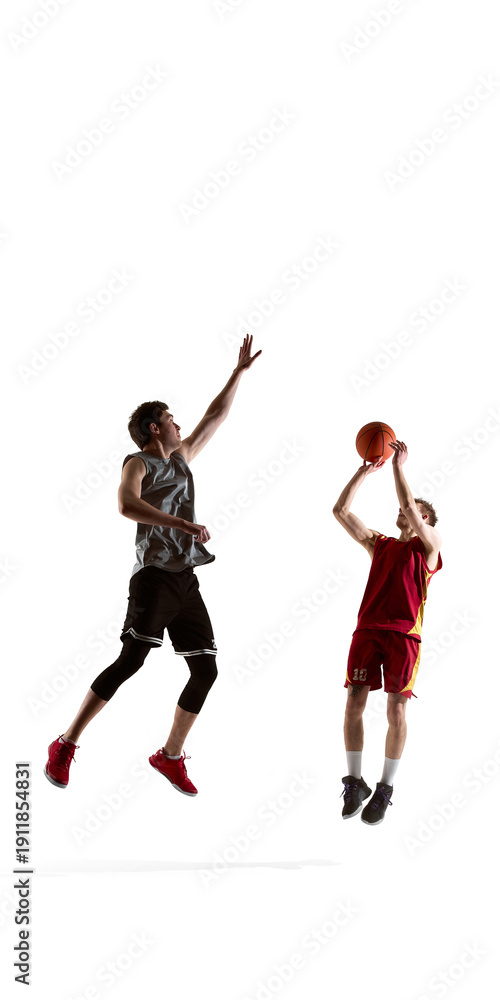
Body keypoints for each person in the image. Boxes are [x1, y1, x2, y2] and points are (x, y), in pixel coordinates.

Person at [44, 334, 262, 796]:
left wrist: (237, 373)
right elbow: (126, 505)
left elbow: (214, 417)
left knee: (206, 670)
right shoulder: (138, 463)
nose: (179, 425)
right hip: (154, 577)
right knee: (131, 660)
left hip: (185, 580)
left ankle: (170, 756)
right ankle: (65, 743)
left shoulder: (181, 460)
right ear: (153, 429)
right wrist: (180, 523)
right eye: (170, 420)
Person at [333, 439, 442, 825]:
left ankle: (385, 788)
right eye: (403, 509)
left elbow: (410, 507)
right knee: (353, 705)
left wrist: (397, 465)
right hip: (368, 631)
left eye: (415, 511)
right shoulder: (379, 544)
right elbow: (340, 511)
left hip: (404, 636)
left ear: (425, 520)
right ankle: (354, 782)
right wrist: (363, 472)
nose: (405, 511)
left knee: (396, 711)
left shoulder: (429, 547)